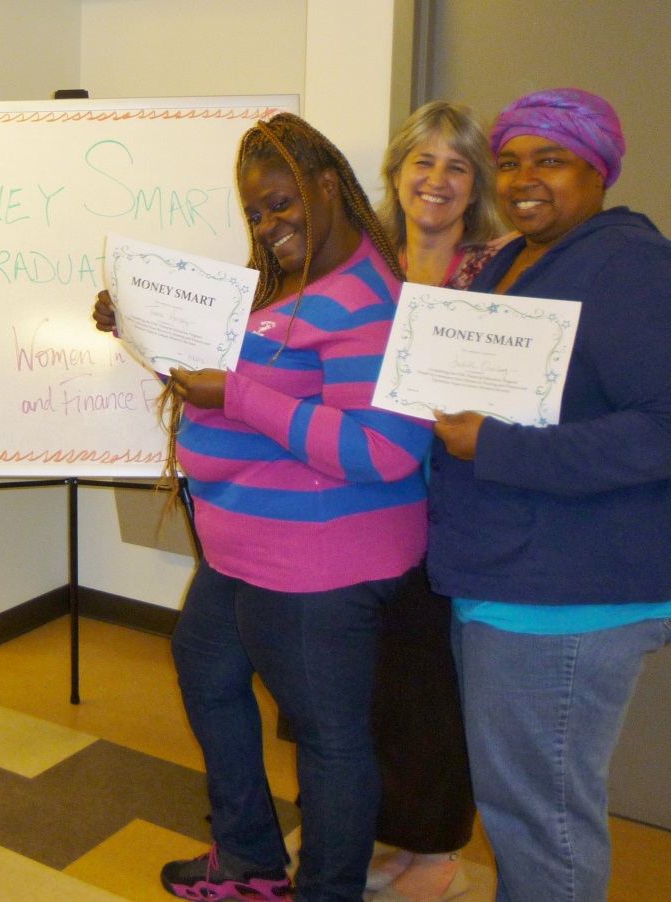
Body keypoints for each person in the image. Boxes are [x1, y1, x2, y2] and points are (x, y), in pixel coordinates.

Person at [95, 113, 432, 902]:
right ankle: (248, 857)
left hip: (319, 561)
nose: (269, 225)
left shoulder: (366, 299)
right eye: (255, 212)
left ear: (327, 185)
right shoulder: (290, 282)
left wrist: (238, 395)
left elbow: (383, 450)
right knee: (205, 666)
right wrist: (141, 328)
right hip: (248, 548)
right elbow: (243, 382)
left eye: (281, 204)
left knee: (330, 741)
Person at [428, 88, 671, 902]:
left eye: (552, 159)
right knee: (519, 811)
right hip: (506, 577)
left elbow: (661, 428)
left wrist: (492, 445)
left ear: (598, 169)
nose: (525, 178)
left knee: (542, 822)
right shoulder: (511, 259)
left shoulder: (629, 263)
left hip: (566, 596)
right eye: (510, 162)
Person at [363, 101, 505, 902]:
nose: (437, 180)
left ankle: (437, 852)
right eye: (424, 161)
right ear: (397, 170)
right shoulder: (367, 261)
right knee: (374, 682)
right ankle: (395, 836)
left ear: (474, 184)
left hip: (454, 508)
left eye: (458, 166)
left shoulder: (500, 267)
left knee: (434, 688)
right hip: (365, 500)